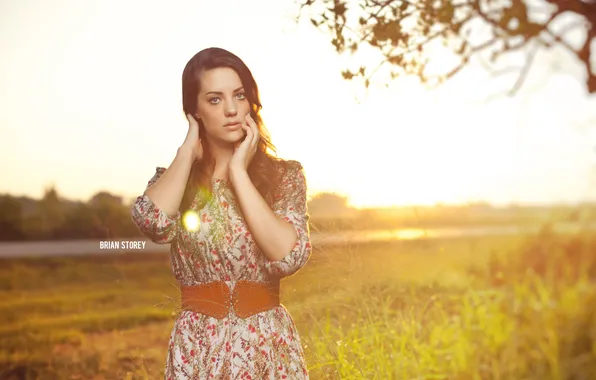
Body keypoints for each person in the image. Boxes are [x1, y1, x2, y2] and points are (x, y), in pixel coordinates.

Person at [131, 47, 312, 379]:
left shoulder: (284, 177)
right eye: (214, 99)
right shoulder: (175, 178)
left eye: (239, 96)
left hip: (266, 345)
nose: (231, 109)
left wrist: (240, 173)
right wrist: (186, 151)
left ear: (251, 102)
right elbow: (152, 222)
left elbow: (287, 255)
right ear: (194, 110)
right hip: (198, 347)